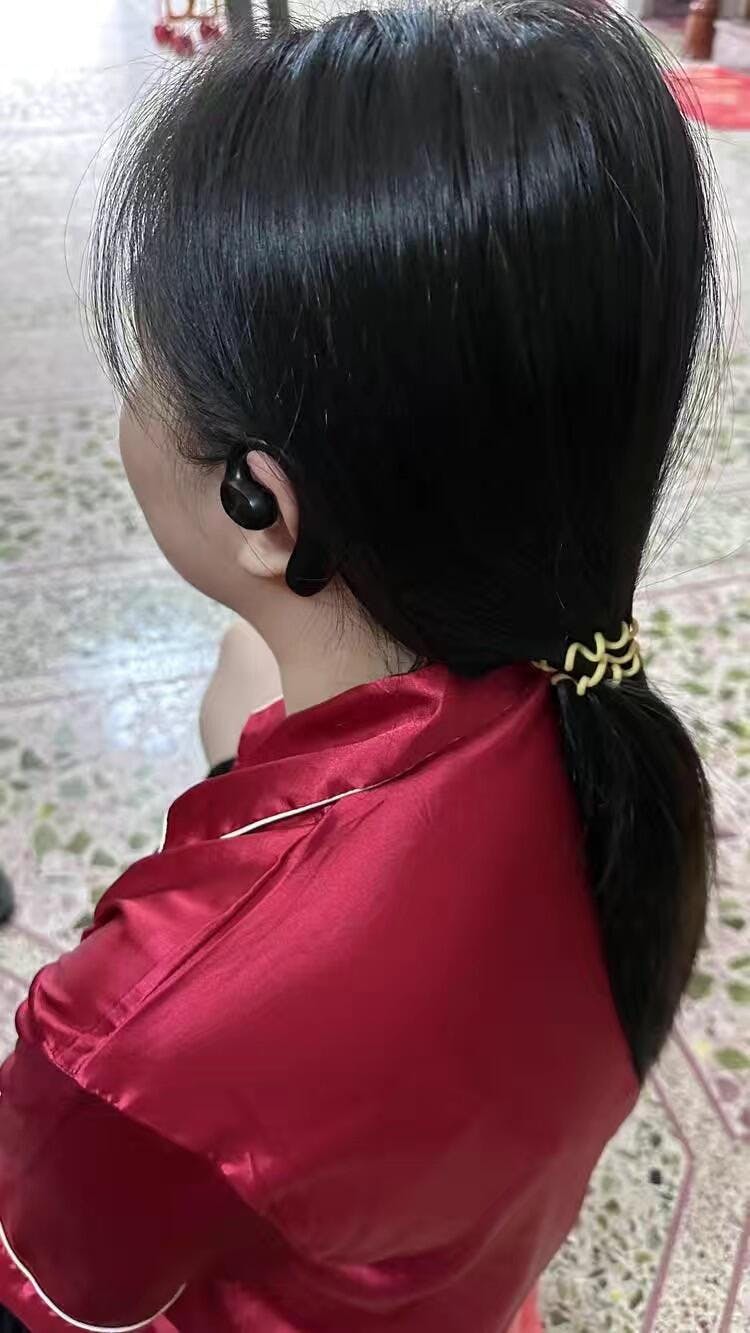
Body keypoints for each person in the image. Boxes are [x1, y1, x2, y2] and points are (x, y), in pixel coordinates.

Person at [0, 2, 720, 1329]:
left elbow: (58, 1289)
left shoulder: (140, 1027)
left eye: (149, 367)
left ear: (259, 505)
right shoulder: (609, 737)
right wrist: (258, 751)